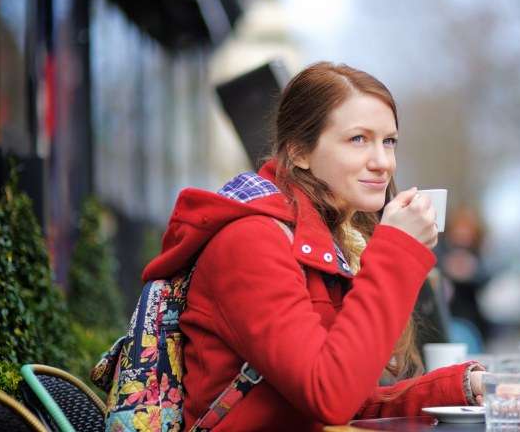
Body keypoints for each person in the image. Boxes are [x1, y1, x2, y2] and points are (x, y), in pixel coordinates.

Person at [141, 62, 485, 431]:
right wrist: (397, 249)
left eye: (388, 141)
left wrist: (459, 387)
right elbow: (331, 396)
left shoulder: (329, 242)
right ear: (300, 153)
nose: (383, 162)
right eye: (358, 139)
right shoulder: (250, 242)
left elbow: (347, 396)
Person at [436, 206, 491, 341]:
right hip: (447, 316)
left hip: (472, 318)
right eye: (459, 229)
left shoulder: (478, 254)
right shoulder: (440, 250)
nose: (462, 234)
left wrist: (472, 272)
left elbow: (486, 279)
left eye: (467, 230)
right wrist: (447, 269)